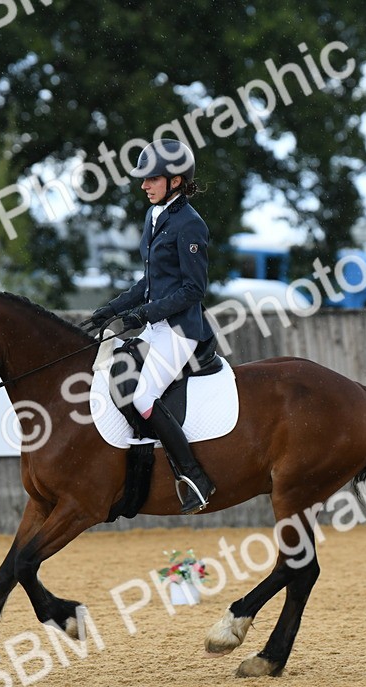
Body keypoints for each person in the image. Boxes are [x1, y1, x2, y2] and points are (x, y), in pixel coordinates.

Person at [86, 139, 217, 515]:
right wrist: (110, 309)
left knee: (142, 397)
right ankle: (143, 462)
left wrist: (144, 315)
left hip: (180, 331)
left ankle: (194, 476)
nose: (144, 185)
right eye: (143, 179)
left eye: (152, 179)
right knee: (118, 377)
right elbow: (148, 284)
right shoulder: (154, 216)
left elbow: (193, 289)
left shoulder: (191, 225)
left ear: (176, 181)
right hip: (156, 327)